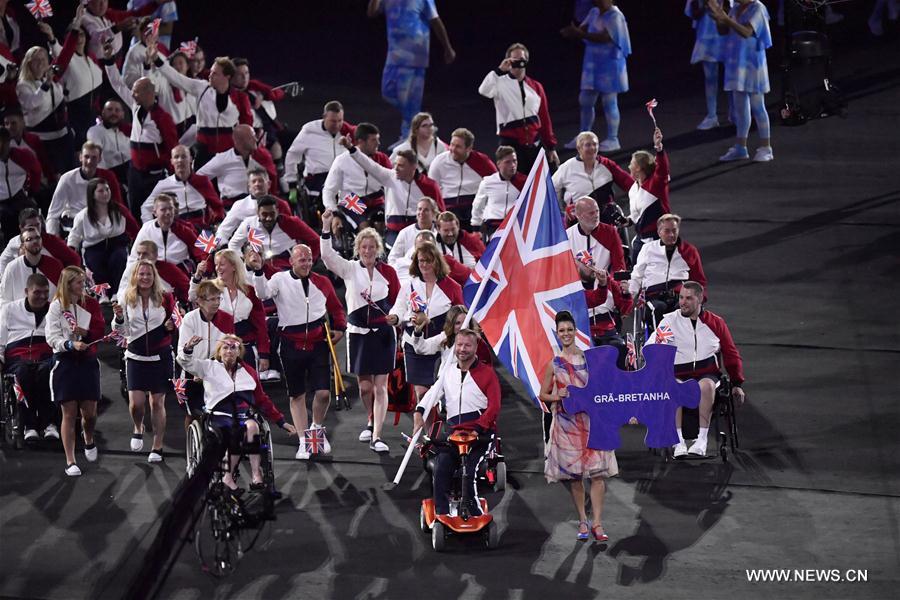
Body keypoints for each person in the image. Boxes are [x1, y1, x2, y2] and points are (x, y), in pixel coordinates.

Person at [249, 244, 347, 460]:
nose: (307, 263)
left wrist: (340, 327)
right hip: (290, 344)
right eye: (302, 260)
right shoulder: (279, 279)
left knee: (323, 393)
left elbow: (336, 307)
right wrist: (258, 270)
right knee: (297, 394)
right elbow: (262, 293)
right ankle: (304, 441)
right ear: (291, 261)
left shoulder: (322, 281)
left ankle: (316, 431)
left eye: (309, 259)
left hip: (319, 343)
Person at [178, 334, 296, 491]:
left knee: (252, 426)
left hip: (242, 415)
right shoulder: (209, 367)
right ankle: (228, 476)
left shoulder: (249, 372)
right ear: (219, 351)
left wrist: (281, 422)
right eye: (225, 347)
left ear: (239, 351)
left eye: (233, 347)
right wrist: (188, 348)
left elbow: (262, 400)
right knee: (236, 432)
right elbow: (185, 362)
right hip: (217, 416)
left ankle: (256, 475)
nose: (229, 351)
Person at [320, 218, 399, 452]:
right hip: (358, 334)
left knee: (380, 387)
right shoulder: (350, 269)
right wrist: (325, 228)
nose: (367, 251)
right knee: (365, 388)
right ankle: (370, 419)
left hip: (383, 334)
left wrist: (396, 317)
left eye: (372, 247)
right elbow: (327, 256)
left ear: (378, 249)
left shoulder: (389, 272)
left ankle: (377, 436)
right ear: (358, 249)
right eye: (364, 247)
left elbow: (399, 300)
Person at [538, 311, 618, 541]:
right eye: (562, 330)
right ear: (557, 333)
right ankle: (583, 520)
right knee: (575, 477)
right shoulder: (553, 364)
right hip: (567, 425)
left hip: (592, 422)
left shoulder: (589, 359)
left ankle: (598, 523)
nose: (566, 334)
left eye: (569, 330)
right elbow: (543, 394)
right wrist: (558, 395)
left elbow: (604, 388)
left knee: (598, 474)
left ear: (575, 331)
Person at [647, 281, 745, 457]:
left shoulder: (716, 323)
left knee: (706, 386)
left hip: (707, 373)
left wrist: (737, 383)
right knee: (674, 386)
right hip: (678, 373)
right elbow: (651, 346)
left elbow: (731, 353)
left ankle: (701, 440)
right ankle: (678, 442)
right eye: (681, 298)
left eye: (688, 298)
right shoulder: (670, 321)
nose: (682, 302)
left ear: (699, 299)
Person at [412, 328, 500, 517]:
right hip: (453, 434)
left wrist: (478, 428)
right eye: (459, 345)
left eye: (467, 345)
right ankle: (442, 514)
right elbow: (433, 394)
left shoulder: (488, 374)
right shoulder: (448, 372)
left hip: (480, 436)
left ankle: (475, 512)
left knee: (469, 472)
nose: (462, 349)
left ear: (475, 347)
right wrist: (419, 411)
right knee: (441, 467)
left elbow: (494, 407)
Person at [103, 44, 178, 218]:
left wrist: (173, 176)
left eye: (136, 92)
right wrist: (109, 61)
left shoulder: (162, 118)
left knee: (154, 214)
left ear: (148, 93)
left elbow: (172, 146)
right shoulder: (135, 106)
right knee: (135, 211)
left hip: (155, 176)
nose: (132, 94)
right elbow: (118, 85)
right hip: (135, 172)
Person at [112, 260, 177, 462]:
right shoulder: (126, 297)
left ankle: (157, 446)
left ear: (154, 276)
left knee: (157, 402)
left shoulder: (166, 297)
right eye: (141, 274)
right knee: (136, 405)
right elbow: (121, 331)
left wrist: (171, 326)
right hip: (136, 356)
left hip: (160, 356)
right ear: (135, 276)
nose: (145, 277)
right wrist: (119, 319)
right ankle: (138, 426)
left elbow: (176, 320)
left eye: (149, 274)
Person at [367, 0, 456, 145]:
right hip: (394, 55)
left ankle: (408, 138)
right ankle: (421, 125)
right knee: (387, 92)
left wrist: (447, 47)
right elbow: (372, 13)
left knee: (412, 101)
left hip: (415, 57)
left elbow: (435, 21)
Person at [45, 266, 105, 476]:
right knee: (69, 413)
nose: (83, 285)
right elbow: (51, 337)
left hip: (87, 361)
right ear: (68, 284)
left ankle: (88, 437)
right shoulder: (56, 307)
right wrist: (69, 344)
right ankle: (70, 460)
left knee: (90, 414)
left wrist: (85, 333)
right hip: (65, 362)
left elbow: (100, 330)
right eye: (79, 282)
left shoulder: (91, 304)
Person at [388, 242, 464, 402]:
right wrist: (395, 317)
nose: (424, 264)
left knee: (442, 393)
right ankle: (427, 420)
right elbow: (399, 307)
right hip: (414, 344)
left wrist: (451, 336)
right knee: (422, 394)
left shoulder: (453, 287)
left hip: (442, 345)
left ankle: (441, 416)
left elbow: (461, 316)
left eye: (429, 260)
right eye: (421, 260)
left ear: (437, 261)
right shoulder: (409, 285)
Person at [151, 52, 253, 166]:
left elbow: (247, 126)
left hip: (228, 150)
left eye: (214, 73)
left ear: (227, 77)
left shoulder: (240, 98)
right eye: (211, 72)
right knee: (199, 175)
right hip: (204, 149)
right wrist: (157, 60)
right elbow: (177, 78)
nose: (210, 75)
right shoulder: (201, 87)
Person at [339, 136, 443, 247]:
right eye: (395, 164)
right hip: (393, 233)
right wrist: (351, 148)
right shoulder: (389, 177)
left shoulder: (429, 186)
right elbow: (368, 165)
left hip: (419, 233)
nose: (396, 168)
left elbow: (441, 213)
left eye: (401, 166)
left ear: (413, 167)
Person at [560, 0, 631, 152]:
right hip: (592, 65)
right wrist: (573, 31)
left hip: (610, 65)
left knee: (609, 101)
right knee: (585, 100)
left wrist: (581, 34)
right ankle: (583, 136)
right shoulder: (594, 12)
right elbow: (582, 29)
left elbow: (606, 37)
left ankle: (613, 138)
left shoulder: (615, 16)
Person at [707, 0, 773, 162]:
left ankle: (766, 148)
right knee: (740, 109)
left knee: (758, 107)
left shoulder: (758, 8)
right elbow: (724, 31)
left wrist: (726, 19)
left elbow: (747, 32)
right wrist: (718, 19)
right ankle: (740, 147)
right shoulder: (735, 8)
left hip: (753, 65)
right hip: (736, 64)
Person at [478, 42, 559, 172]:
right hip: (510, 144)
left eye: (521, 59)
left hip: (534, 143)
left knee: (540, 180)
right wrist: (499, 71)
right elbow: (483, 90)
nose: (518, 62)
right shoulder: (499, 83)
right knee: (516, 181)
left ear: (526, 61)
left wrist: (551, 146)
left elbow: (544, 117)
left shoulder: (536, 86)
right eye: (514, 59)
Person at [15, 11, 80, 174]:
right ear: (28, 64)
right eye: (36, 60)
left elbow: (65, 55)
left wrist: (55, 35)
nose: (41, 63)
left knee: (70, 175)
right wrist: (46, 84)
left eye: (44, 59)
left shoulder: (52, 79)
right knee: (53, 178)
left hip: (64, 137)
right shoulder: (24, 85)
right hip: (43, 142)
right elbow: (31, 103)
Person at [190, 249, 270, 372]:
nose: (217, 268)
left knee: (247, 383)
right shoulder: (210, 287)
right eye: (216, 265)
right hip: (217, 351)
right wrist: (197, 277)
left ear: (233, 266)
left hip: (245, 349)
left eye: (222, 264)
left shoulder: (249, 291)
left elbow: (260, 325)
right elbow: (192, 297)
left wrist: (264, 353)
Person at [597, 128, 668, 263]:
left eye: (632, 164)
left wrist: (659, 148)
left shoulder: (655, 185)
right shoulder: (633, 189)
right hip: (640, 240)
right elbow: (637, 216)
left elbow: (662, 170)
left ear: (639, 168)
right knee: (635, 273)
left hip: (657, 240)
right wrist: (627, 221)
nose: (629, 166)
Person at [0, 273, 57, 442]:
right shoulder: (9, 310)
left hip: (45, 353)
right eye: (37, 292)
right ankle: (29, 425)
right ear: (26, 291)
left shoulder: (54, 310)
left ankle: (49, 424)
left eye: (45, 292)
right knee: (22, 373)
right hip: (17, 355)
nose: (42, 296)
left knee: (48, 372)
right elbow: (1, 339)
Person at [629, 214, 707, 329]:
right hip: (653, 295)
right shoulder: (648, 249)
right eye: (667, 231)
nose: (671, 235)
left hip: (680, 295)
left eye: (674, 230)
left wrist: (700, 299)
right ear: (659, 232)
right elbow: (637, 276)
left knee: (683, 310)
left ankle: (682, 338)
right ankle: (659, 339)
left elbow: (699, 280)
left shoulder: (689, 251)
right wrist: (629, 298)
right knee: (658, 308)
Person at [45, 141, 136, 238]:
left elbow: (118, 206)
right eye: (86, 157)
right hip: (74, 224)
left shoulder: (108, 176)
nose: (89, 161)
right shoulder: (67, 179)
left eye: (94, 158)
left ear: (99, 159)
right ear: (80, 157)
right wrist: (53, 239)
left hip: (102, 223)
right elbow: (53, 214)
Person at [177, 279, 235, 423]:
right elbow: (181, 354)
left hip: (216, 372)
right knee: (192, 416)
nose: (216, 303)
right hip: (191, 373)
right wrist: (189, 350)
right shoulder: (189, 319)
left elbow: (232, 349)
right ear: (200, 301)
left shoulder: (227, 319)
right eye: (212, 299)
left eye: (218, 298)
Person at [284, 100, 354, 211]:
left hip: (342, 179)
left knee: (358, 208)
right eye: (333, 121)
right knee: (329, 202)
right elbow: (292, 156)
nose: (337, 125)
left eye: (340, 120)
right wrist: (292, 184)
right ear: (324, 117)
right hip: (317, 179)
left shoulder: (347, 132)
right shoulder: (309, 131)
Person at [322, 123, 392, 231]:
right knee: (365, 226)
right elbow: (329, 190)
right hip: (352, 200)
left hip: (376, 200)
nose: (378, 143)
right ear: (361, 141)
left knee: (382, 224)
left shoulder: (382, 158)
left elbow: (392, 182)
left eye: (378, 139)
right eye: (373, 140)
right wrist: (334, 213)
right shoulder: (342, 160)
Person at [67, 178, 131, 296]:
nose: (105, 193)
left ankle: (117, 292)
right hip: (94, 247)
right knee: (95, 262)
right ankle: (103, 294)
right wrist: (71, 250)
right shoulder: (83, 216)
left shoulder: (119, 210)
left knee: (119, 258)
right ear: (92, 194)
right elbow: (74, 236)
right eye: (101, 191)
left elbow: (133, 228)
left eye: (107, 189)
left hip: (117, 244)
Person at [226, 196, 320, 273]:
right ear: (258, 212)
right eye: (264, 214)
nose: (268, 218)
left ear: (278, 211)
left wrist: (309, 262)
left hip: (287, 268)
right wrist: (243, 261)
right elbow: (234, 244)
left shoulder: (292, 223)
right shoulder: (249, 224)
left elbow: (316, 240)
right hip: (259, 267)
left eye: (272, 214)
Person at [427, 128, 497, 231]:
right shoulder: (439, 161)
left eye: (458, 146)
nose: (453, 149)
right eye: (452, 145)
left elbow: (496, 184)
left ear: (469, 148)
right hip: (448, 209)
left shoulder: (482, 162)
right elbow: (431, 190)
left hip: (474, 209)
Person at [140, 145, 224, 228]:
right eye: (176, 157)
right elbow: (146, 208)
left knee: (218, 236)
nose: (180, 160)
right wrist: (151, 228)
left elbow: (217, 206)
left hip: (202, 228)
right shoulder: (163, 185)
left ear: (190, 159)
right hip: (177, 229)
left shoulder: (202, 181)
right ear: (172, 161)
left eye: (184, 156)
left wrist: (218, 224)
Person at [196, 124, 277, 208]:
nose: (255, 139)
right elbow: (198, 178)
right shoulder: (222, 159)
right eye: (251, 137)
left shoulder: (261, 158)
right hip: (231, 207)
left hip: (257, 205)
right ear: (239, 141)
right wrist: (211, 200)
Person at [213, 168, 292, 243]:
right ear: (249, 187)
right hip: (248, 247)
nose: (257, 184)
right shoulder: (240, 206)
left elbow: (291, 228)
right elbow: (224, 230)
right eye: (254, 181)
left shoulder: (281, 204)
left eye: (261, 181)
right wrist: (219, 245)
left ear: (268, 184)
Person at [130, 194, 205, 272]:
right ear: (155, 212)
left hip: (180, 273)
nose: (168, 212)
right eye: (163, 209)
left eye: (171, 208)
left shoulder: (186, 228)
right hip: (154, 272)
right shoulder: (146, 229)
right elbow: (133, 257)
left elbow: (204, 251)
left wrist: (204, 267)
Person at [686, 0, 731, 130]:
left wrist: (718, 7)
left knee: (730, 76)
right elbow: (693, 12)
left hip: (726, 34)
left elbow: (733, 8)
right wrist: (704, 5)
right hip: (706, 35)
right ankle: (712, 115)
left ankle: (734, 112)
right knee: (710, 77)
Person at [552, 131, 616, 220]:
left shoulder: (606, 164)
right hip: (579, 219)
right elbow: (552, 189)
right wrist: (560, 212)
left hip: (606, 215)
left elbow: (628, 183)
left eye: (595, 144)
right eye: (588, 145)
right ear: (579, 148)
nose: (593, 148)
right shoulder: (567, 167)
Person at [471, 146, 526, 241]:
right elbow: (478, 206)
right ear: (498, 164)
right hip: (492, 227)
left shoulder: (525, 182)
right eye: (508, 162)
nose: (513, 165)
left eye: (514, 161)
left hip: (516, 226)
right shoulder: (487, 182)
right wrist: (476, 228)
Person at [0, 228, 62, 308]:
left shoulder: (54, 265)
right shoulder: (12, 268)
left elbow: (62, 296)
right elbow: (4, 299)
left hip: (49, 313)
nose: (35, 241)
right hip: (19, 314)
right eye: (29, 239)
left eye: (37, 238)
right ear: (23, 245)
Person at [0, 125, 41, 242]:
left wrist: (32, 191)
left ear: (9, 142)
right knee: (5, 218)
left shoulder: (22, 156)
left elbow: (36, 171)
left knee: (30, 214)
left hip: (19, 196)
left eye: (3, 142)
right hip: (1, 202)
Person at [117, 239, 189, 305]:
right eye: (139, 254)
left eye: (145, 254)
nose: (140, 257)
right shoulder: (131, 269)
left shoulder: (169, 269)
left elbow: (186, 286)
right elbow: (122, 290)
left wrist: (182, 304)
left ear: (155, 255)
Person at [86, 99, 131, 187]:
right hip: (110, 174)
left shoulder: (129, 130)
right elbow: (97, 159)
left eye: (117, 110)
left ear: (123, 114)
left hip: (132, 172)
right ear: (103, 113)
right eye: (109, 110)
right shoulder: (95, 131)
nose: (113, 113)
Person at [387, 197, 439, 272]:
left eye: (426, 210)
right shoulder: (405, 233)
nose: (421, 212)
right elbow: (393, 258)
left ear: (434, 213)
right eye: (419, 209)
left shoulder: (439, 233)